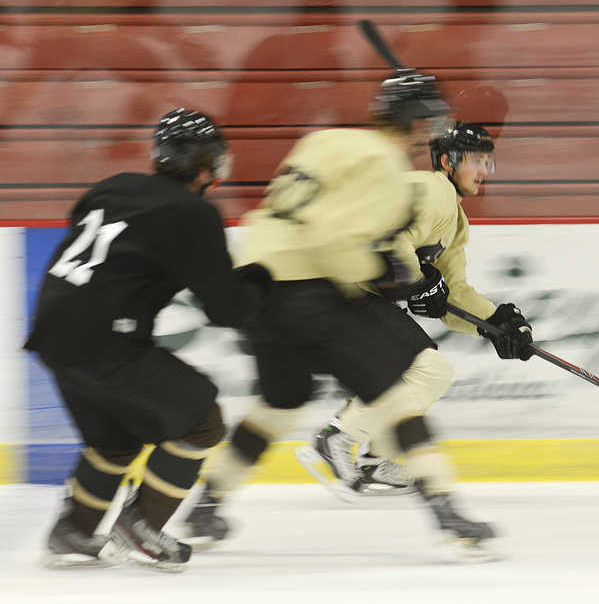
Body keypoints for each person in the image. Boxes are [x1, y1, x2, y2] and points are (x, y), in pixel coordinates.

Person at [183, 72, 504, 556]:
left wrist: (484, 315)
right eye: (428, 120)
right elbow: (332, 240)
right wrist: (384, 269)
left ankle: (207, 503)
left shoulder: (324, 142)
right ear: (418, 123)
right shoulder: (383, 164)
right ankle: (446, 509)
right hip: (309, 291)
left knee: (280, 402)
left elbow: (286, 218)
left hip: (258, 286)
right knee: (396, 397)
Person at [25, 108, 273, 571]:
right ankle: (141, 524)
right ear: (207, 167)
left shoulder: (111, 185)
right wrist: (259, 279)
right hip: (105, 340)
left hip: (50, 332)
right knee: (202, 421)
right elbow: (227, 310)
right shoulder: (193, 212)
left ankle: (74, 529)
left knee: (114, 440)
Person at [300, 121, 534, 499]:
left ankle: (379, 460)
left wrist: (495, 323)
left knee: (415, 374)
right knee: (429, 369)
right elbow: (390, 241)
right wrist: (421, 281)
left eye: (487, 163)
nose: (482, 171)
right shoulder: (432, 190)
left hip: (351, 293)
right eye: (474, 160)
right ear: (446, 162)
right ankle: (336, 439)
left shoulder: (455, 221)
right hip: (336, 288)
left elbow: (452, 293)